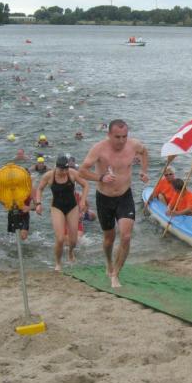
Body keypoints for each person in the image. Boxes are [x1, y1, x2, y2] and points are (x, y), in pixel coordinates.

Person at [78, 119, 149, 287]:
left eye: (124, 136)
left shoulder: (133, 145)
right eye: (117, 137)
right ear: (109, 134)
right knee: (109, 239)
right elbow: (82, 171)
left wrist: (144, 171)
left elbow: (144, 152)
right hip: (104, 198)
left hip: (125, 195)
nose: (121, 140)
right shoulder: (98, 149)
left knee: (126, 236)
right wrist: (101, 177)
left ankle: (116, 274)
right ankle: (109, 262)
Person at [36, 155, 90, 272]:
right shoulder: (49, 176)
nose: (64, 172)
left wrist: (82, 201)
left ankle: (70, 252)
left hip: (72, 207)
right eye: (62, 170)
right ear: (56, 167)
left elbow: (85, 185)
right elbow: (39, 189)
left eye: (66, 169)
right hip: (57, 207)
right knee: (60, 239)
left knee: (73, 241)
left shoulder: (72, 173)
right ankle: (58, 263)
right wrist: (38, 203)